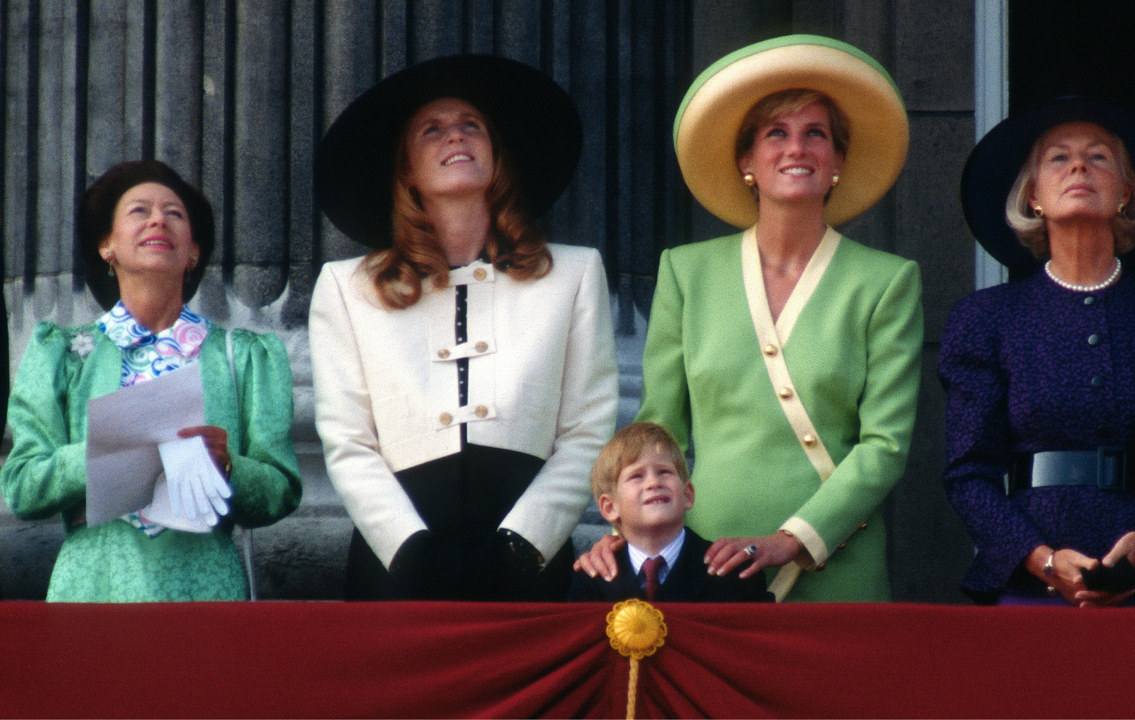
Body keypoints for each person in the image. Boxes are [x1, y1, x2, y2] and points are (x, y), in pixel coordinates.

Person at [576, 35, 921, 602]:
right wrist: (628, 533)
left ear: (838, 161)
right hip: (711, 561)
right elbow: (659, 427)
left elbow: (885, 445)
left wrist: (794, 539)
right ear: (746, 162)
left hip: (836, 559)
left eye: (817, 134)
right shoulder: (687, 271)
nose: (797, 148)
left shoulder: (886, 281)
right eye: (775, 134)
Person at [309, 54, 618, 601]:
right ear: (406, 170)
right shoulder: (346, 287)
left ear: (496, 157)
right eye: (432, 129)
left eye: (471, 125)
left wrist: (527, 542)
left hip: (527, 562)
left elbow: (587, 431)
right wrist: (407, 547)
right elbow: (348, 440)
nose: (456, 136)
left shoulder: (573, 274)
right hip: (398, 565)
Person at [941, 97, 1135, 607]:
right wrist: (1040, 558)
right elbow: (967, 472)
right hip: (1031, 586)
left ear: (1127, 194)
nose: (1079, 165)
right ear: (1033, 196)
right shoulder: (985, 319)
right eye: (1058, 158)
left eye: (1100, 156)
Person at [1, 160, 301, 602]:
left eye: (175, 213)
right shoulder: (62, 355)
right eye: (139, 211)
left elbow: (281, 490)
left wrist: (230, 466)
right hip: (93, 589)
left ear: (194, 251)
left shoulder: (245, 357)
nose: (159, 219)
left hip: (206, 590)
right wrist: (101, 452)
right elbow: (22, 487)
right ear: (107, 245)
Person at [568, 422, 772, 602]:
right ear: (610, 508)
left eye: (664, 472)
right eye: (637, 476)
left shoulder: (732, 571)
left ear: (688, 495)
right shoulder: (592, 579)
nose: (654, 482)